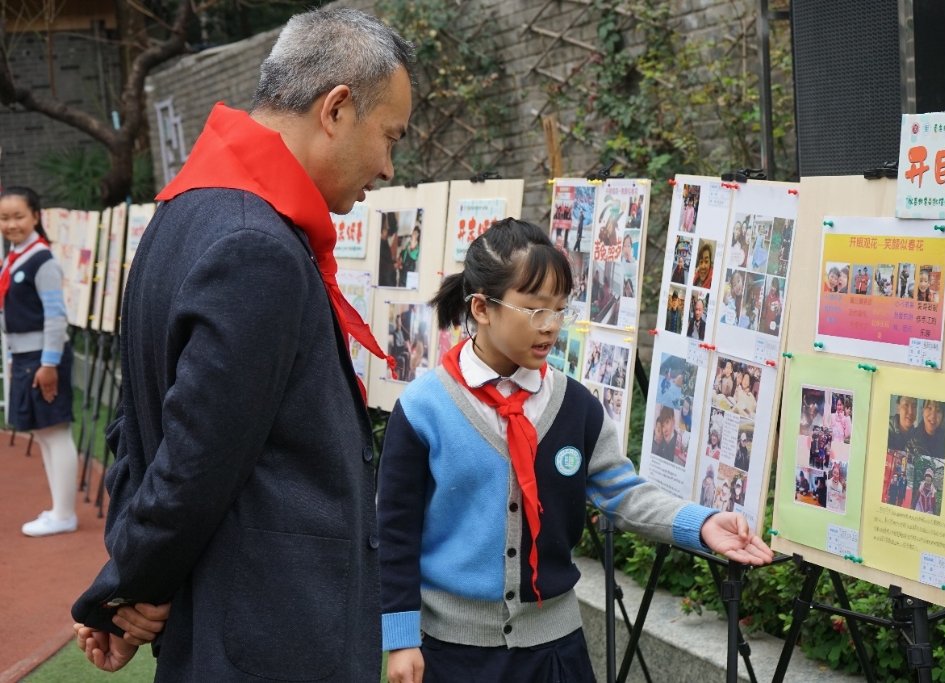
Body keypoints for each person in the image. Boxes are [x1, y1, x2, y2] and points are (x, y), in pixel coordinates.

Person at [71, 9, 413, 680]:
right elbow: (191, 465)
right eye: (389, 136)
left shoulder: (185, 213)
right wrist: (124, 588)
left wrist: (138, 582)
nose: (387, 166)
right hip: (269, 635)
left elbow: (138, 433)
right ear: (337, 108)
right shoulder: (255, 246)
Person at [378, 218, 773, 683]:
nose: (551, 328)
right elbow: (395, 531)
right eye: (535, 310)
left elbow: (623, 493)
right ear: (482, 308)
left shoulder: (575, 406)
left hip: (555, 653)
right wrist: (401, 638)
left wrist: (701, 524)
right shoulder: (424, 408)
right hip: (451, 652)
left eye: (560, 310)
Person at [0, 187, 78, 537]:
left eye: (18, 216)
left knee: (55, 432)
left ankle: (64, 514)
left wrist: (49, 364)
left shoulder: (41, 259)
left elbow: (55, 316)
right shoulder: (15, 256)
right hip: (26, 355)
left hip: (43, 357)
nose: (11, 224)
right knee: (44, 434)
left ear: (35, 216)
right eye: (4, 218)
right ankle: (59, 509)